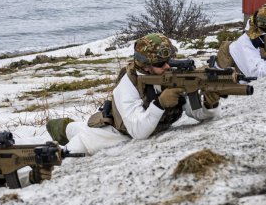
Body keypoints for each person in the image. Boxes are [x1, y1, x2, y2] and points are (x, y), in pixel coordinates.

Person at [49, 33, 224, 156]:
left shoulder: (170, 75)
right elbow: (138, 132)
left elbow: (195, 112)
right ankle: (62, 127)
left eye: (169, 61)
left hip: (145, 128)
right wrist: (160, 104)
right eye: (160, 64)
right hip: (111, 135)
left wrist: (209, 106)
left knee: (77, 129)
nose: (168, 67)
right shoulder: (128, 84)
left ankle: (69, 127)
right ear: (145, 66)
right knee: (68, 154)